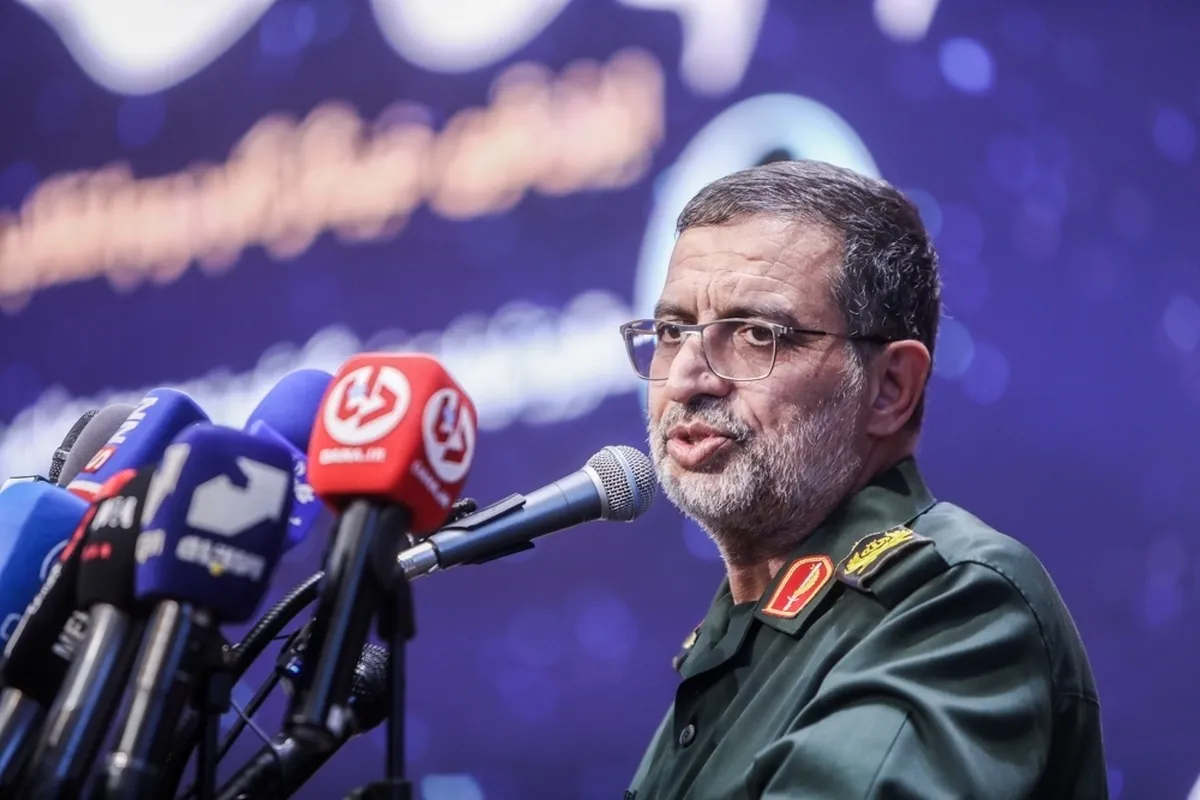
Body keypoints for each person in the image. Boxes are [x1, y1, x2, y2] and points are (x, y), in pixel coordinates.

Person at [619, 160, 1107, 799]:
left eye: (757, 334)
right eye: (671, 331)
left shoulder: (956, 604)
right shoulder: (739, 631)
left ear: (890, 388)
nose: (686, 378)